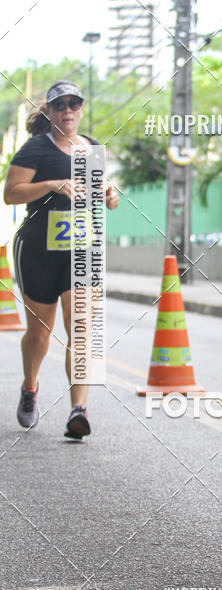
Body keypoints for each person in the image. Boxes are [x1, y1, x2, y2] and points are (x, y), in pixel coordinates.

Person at [4, 81, 119, 438]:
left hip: (83, 251)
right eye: (61, 105)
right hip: (38, 252)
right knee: (39, 334)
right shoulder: (35, 149)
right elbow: (10, 194)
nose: (68, 110)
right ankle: (29, 386)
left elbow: (100, 193)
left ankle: (78, 409)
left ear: (81, 109)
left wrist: (110, 196)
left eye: (75, 104)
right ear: (50, 112)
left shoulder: (93, 149)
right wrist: (51, 184)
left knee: (82, 329)